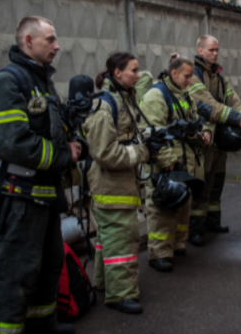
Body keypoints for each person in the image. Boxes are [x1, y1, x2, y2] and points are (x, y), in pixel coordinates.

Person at [0, 16, 81, 334]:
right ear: (28, 40)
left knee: (48, 265)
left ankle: (43, 327)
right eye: (50, 40)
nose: (57, 46)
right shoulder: (8, 82)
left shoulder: (41, 81)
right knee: (16, 273)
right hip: (20, 198)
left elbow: (52, 130)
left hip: (44, 196)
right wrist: (65, 155)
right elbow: (14, 143)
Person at [83, 52, 165, 314]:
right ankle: (121, 295)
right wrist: (143, 152)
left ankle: (103, 283)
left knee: (109, 237)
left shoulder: (122, 98)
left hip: (119, 184)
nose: (138, 75)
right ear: (117, 73)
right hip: (110, 186)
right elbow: (105, 153)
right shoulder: (105, 105)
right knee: (123, 237)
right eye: (133, 70)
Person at [140, 53, 212, 272]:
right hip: (165, 163)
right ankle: (159, 253)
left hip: (184, 162)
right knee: (162, 207)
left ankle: (177, 244)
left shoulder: (184, 94)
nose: (190, 80)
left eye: (191, 76)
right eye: (186, 76)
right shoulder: (156, 96)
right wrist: (168, 159)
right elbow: (151, 132)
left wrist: (204, 133)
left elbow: (196, 120)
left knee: (183, 205)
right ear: (174, 73)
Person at [187, 35, 241, 246]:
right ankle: (195, 230)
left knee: (217, 182)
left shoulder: (220, 77)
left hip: (219, 141)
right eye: (211, 50)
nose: (215, 53)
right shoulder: (193, 75)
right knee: (202, 184)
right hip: (203, 140)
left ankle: (212, 222)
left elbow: (234, 100)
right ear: (200, 51)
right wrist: (238, 119)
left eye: (217, 50)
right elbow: (209, 106)